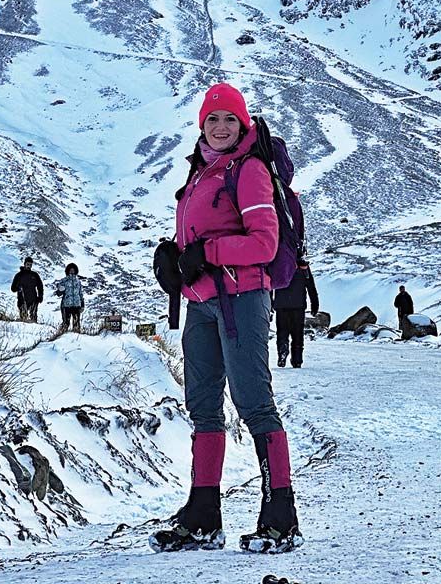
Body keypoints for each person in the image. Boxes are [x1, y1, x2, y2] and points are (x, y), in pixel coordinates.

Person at [150, 82, 302, 556]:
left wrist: (207, 252)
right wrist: (175, 257)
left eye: (229, 119)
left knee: (254, 403)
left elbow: (264, 244)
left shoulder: (249, 170)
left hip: (242, 300)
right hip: (201, 302)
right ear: (201, 124)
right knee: (203, 407)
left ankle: (281, 515)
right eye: (212, 119)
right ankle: (202, 516)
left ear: (243, 123)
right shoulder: (201, 171)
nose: (220, 127)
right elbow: (200, 236)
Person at [274, 258, 319, 368]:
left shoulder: (279, 262)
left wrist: (269, 302)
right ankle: (297, 360)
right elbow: (311, 286)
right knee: (297, 334)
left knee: (282, 332)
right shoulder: (303, 267)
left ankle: (282, 351)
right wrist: (315, 304)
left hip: (281, 305)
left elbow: (271, 283)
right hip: (298, 305)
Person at [11, 257, 43, 322]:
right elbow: (13, 288)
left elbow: (40, 286)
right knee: (23, 320)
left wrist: (40, 296)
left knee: (33, 320)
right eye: (28, 264)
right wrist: (18, 288)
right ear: (24, 264)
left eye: (30, 265)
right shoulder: (19, 275)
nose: (29, 266)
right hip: (22, 300)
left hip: (33, 300)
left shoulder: (35, 275)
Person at [57, 262, 84, 332]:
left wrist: (82, 304)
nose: (72, 271)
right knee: (66, 323)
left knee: (76, 323)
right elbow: (58, 293)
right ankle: (61, 335)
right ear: (67, 271)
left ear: (75, 271)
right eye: (70, 270)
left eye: (73, 270)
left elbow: (80, 293)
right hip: (66, 305)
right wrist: (60, 290)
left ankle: (77, 336)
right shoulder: (64, 281)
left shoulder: (78, 282)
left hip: (76, 305)